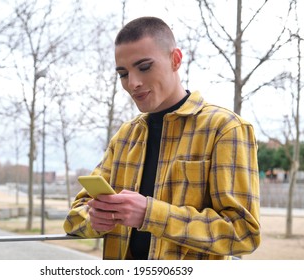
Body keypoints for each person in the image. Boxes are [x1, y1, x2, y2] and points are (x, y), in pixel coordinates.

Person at [64, 16, 260, 260]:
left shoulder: (225, 128)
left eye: (144, 67)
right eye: (123, 74)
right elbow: (74, 218)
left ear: (175, 60)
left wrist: (150, 214)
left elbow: (243, 233)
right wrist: (95, 219)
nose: (133, 83)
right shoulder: (125, 137)